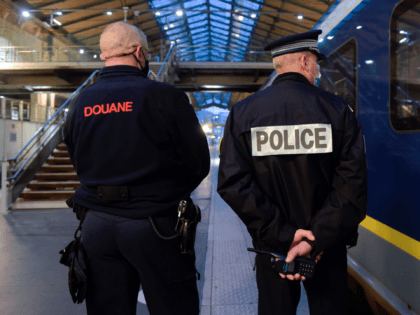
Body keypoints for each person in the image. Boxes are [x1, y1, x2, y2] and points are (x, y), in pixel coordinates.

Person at [63, 21, 210, 315]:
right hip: (154, 224)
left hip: (97, 225)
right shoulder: (165, 96)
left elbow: (75, 154)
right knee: (173, 306)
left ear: (105, 55)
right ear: (140, 53)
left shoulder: (81, 102)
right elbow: (199, 163)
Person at [217, 30, 367, 315]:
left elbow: (233, 184)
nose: (318, 71)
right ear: (305, 61)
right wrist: (314, 239)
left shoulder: (244, 113)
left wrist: (284, 236)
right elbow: (352, 186)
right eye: (316, 64)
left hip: (273, 249)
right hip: (326, 248)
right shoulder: (338, 111)